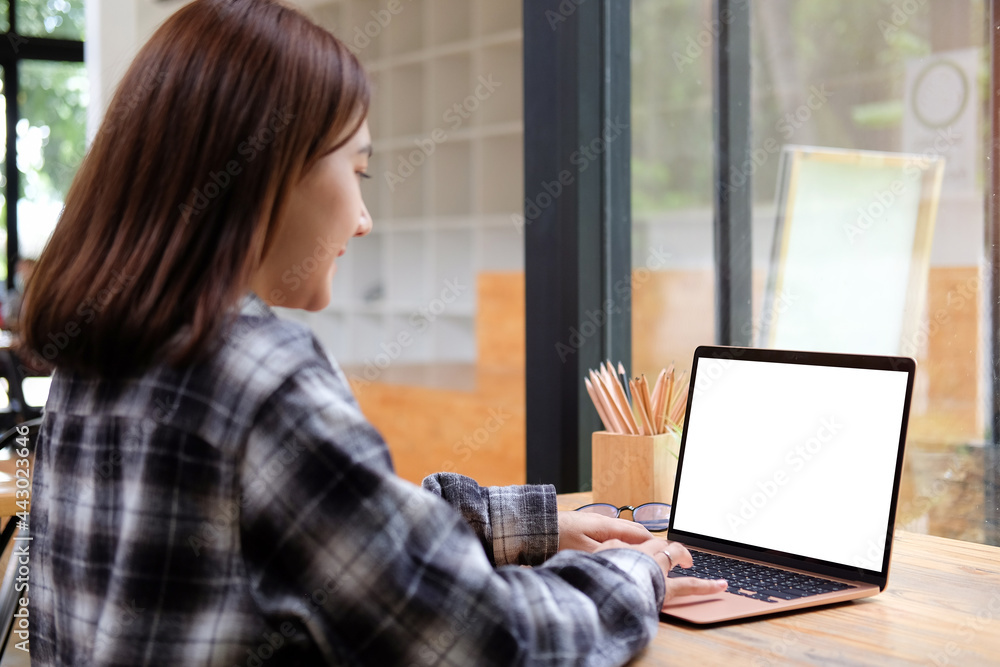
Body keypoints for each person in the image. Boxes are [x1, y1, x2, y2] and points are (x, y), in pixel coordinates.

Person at [20, 0, 726, 664]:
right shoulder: (256, 376)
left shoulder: (102, 353)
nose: (363, 218)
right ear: (266, 173)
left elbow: (331, 518)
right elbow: (489, 638)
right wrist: (631, 573)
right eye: (357, 169)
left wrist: (534, 525)